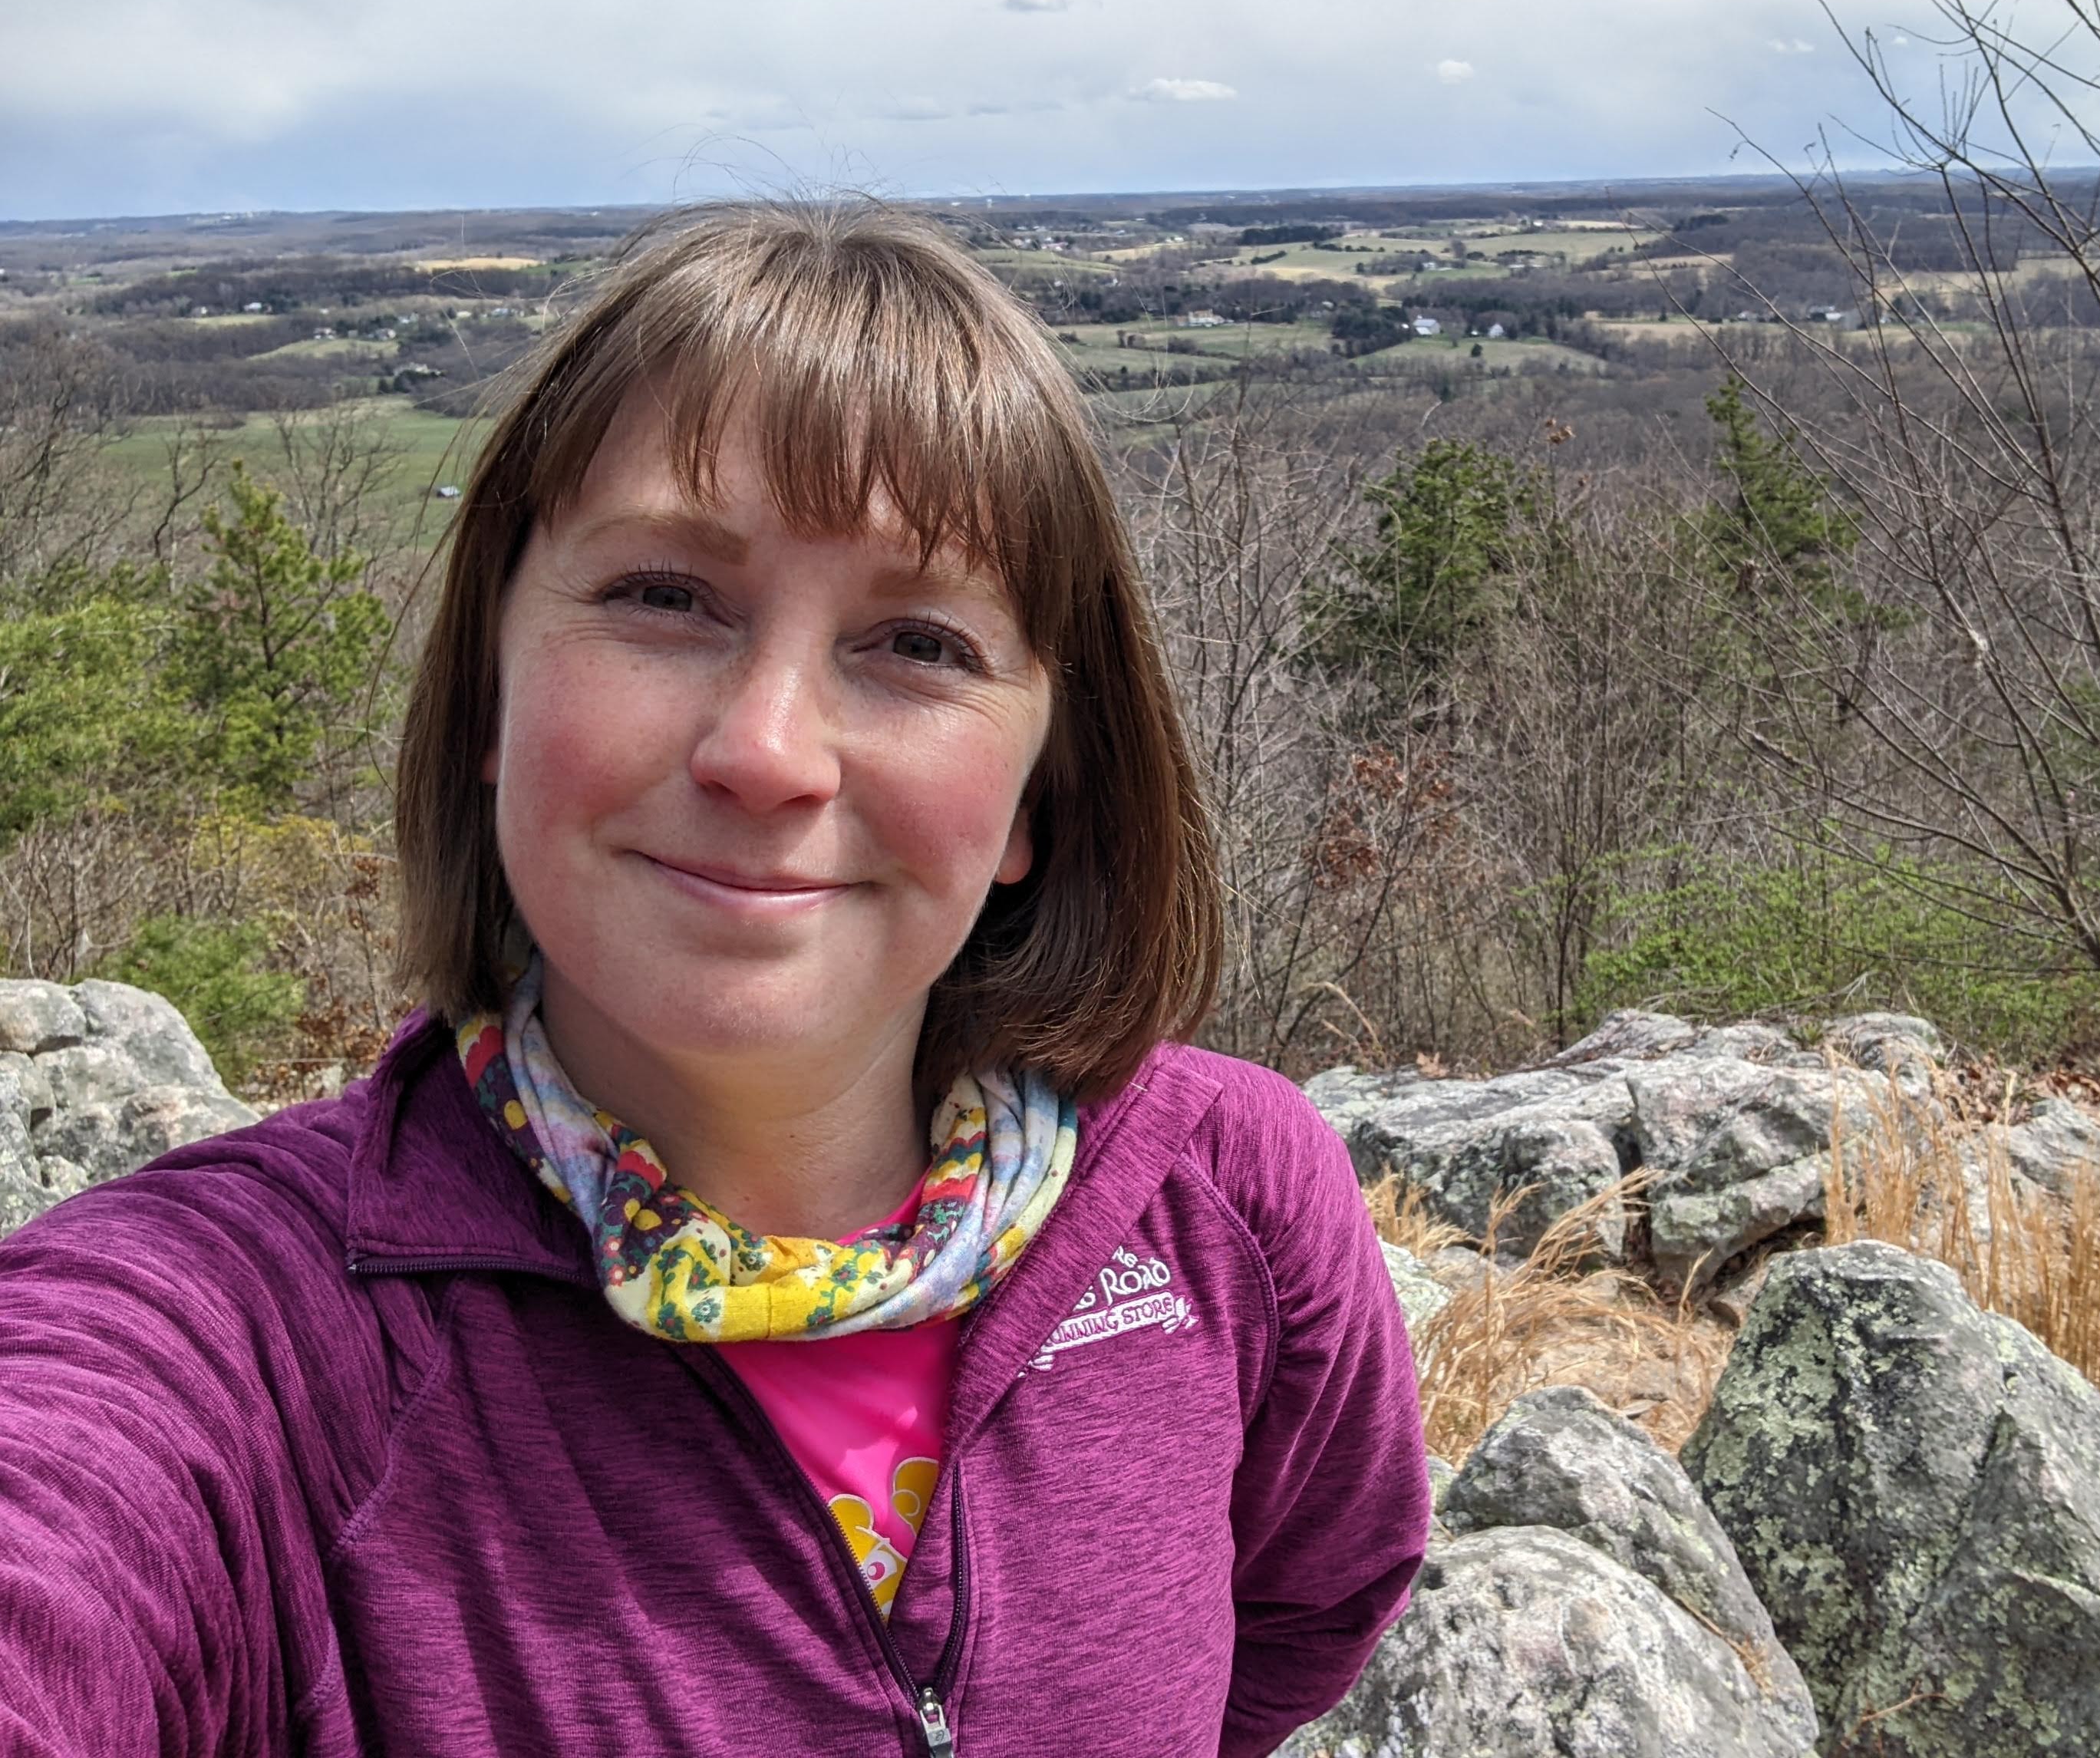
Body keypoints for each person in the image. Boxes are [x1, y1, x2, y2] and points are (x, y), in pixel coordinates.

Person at [0, 203, 1430, 1755]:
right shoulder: (257, 1344)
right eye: (666, 598)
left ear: (1039, 798)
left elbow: (1301, 1612)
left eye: (919, 645)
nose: (763, 751)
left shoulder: (1227, 1207)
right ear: (493, 690)